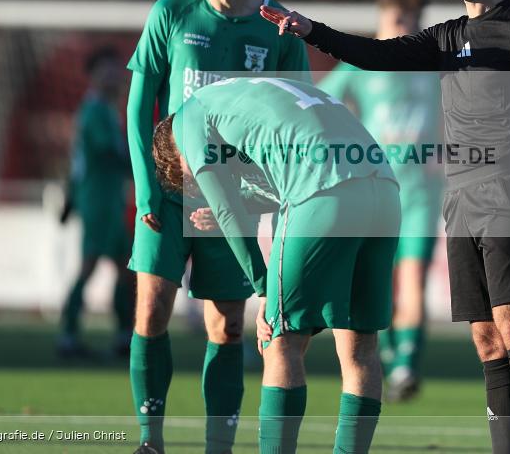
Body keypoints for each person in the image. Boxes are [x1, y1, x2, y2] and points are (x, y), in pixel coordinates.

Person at [260, 0, 510, 454]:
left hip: (508, 187)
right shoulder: (448, 36)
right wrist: (310, 29)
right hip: (460, 196)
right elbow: (377, 56)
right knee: (484, 340)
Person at [126, 0, 310, 454]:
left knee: (227, 328)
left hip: (235, 201)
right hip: (167, 192)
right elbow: (141, 108)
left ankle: (217, 448)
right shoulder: (172, 13)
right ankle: (150, 440)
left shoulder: (278, 27)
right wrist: (145, 186)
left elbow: (292, 125)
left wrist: (250, 198)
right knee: (152, 311)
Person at [153, 77, 401, 454]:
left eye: (189, 180)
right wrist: (240, 204)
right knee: (361, 348)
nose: (197, 186)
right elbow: (279, 177)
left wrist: (265, 287)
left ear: (176, 155)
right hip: (383, 188)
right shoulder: (246, 92)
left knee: (280, 340)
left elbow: (227, 207)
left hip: (323, 191)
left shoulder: (189, 118)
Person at [317, 0, 443, 402]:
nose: (404, 32)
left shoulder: (433, 65)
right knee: (377, 285)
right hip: (376, 192)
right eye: (397, 23)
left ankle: (406, 366)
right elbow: (322, 106)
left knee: (414, 282)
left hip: (421, 194)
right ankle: (388, 357)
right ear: (381, 23)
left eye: (412, 24)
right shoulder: (359, 67)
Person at [58, 46, 134, 359]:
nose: (115, 75)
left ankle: (123, 335)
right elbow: (109, 154)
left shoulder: (104, 110)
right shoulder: (95, 111)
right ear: (93, 76)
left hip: (107, 198)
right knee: (91, 266)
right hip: (98, 200)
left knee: (124, 266)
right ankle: (67, 335)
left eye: (117, 69)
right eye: (108, 70)